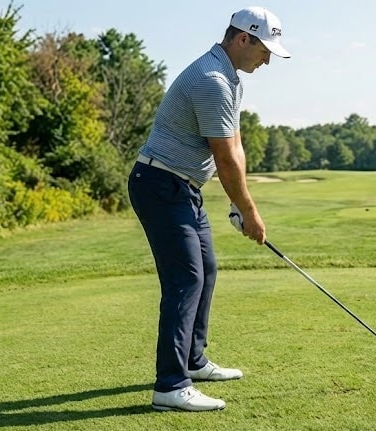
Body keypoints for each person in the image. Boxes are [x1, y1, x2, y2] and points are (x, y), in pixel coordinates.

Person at [127, 6, 291, 412]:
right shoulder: (212, 79)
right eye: (264, 49)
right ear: (242, 39)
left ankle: (193, 361)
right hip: (160, 185)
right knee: (185, 280)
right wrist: (249, 212)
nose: (268, 58)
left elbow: (235, 147)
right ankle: (170, 385)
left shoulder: (230, 79)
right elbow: (225, 157)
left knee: (206, 270)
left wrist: (239, 203)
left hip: (182, 188)